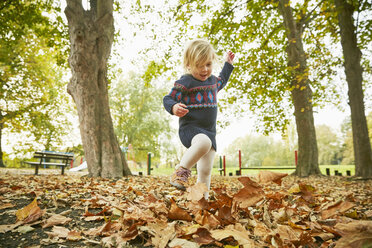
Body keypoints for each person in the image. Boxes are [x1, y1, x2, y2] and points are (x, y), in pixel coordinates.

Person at [163, 39, 235, 199]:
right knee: (203, 142)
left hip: (209, 132)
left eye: (208, 65)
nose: (205, 70)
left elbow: (222, 79)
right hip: (190, 130)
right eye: (199, 66)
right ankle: (180, 172)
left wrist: (228, 64)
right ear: (189, 65)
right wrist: (174, 107)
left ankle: (202, 200)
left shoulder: (212, 82)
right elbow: (168, 99)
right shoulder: (185, 82)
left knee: (205, 169)